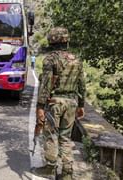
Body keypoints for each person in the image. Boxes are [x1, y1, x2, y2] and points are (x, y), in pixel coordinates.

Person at [32, 27, 86, 180]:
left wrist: (40, 107)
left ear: (51, 41)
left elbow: (46, 85)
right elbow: (82, 84)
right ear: (66, 40)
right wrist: (81, 105)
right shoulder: (76, 59)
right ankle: (67, 173)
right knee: (65, 137)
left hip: (55, 103)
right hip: (71, 103)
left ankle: (50, 168)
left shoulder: (51, 59)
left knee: (50, 135)